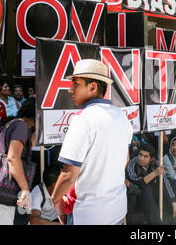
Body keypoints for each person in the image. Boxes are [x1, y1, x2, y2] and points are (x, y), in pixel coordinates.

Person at [51, 59, 133, 225]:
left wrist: (56, 201)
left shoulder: (83, 119)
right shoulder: (122, 117)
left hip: (88, 215)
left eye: (76, 84)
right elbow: (125, 160)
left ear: (93, 87)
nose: (70, 89)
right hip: (117, 210)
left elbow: (68, 175)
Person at [125, 144, 176, 224]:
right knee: (146, 188)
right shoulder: (132, 164)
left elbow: (165, 182)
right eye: (140, 155)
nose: (141, 158)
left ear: (151, 158)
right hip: (137, 196)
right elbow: (138, 183)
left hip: (153, 195)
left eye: (145, 156)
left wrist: (174, 204)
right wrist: (155, 173)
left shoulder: (156, 164)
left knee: (174, 184)